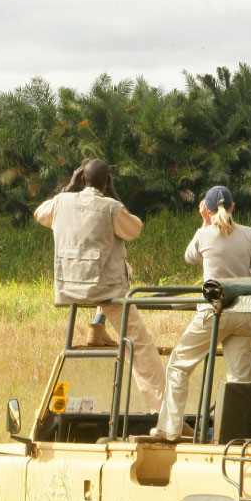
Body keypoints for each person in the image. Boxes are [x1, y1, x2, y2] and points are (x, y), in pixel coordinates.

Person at [34, 158, 166, 414]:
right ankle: (162, 412)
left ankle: (98, 327)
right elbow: (134, 230)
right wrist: (115, 196)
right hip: (104, 291)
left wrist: (67, 189)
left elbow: (40, 214)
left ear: (80, 179)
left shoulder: (61, 202)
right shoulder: (110, 207)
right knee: (140, 344)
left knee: (120, 268)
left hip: (69, 287)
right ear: (107, 183)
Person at [152, 186, 251, 440]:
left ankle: (169, 428)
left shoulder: (204, 235)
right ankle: (234, 435)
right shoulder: (249, 235)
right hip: (244, 314)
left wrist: (205, 224)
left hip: (213, 313)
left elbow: (189, 257)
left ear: (206, 208)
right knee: (240, 378)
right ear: (233, 207)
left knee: (180, 365)